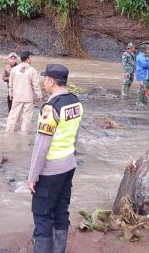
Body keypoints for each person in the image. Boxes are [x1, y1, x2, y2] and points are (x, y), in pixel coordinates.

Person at [28, 64, 83, 253]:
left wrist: (32, 176)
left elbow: (42, 145)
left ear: (51, 81)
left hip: (50, 170)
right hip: (68, 165)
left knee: (42, 216)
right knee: (61, 212)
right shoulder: (75, 102)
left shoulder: (50, 109)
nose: (44, 82)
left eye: (45, 79)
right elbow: (75, 135)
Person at [6, 50, 43, 133]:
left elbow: (11, 83)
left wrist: (10, 94)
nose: (31, 59)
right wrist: (39, 95)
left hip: (17, 96)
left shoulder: (14, 69)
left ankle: (8, 132)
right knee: (26, 117)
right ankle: (23, 134)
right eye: (31, 57)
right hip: (28, 97)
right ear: (28, 59)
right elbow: (35, 85)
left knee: (13, 116)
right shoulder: (32, 70)